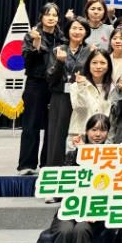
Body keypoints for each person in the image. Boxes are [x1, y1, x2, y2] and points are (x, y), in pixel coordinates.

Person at [47, 114, 111, 243]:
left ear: (108, 133)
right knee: (64, 230)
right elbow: (64, 185)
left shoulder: (112, 157)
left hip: (97, 210)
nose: (98, 134)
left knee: (81, 229)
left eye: (103, 130)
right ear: (86, 132)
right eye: (94, 130)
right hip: (72, 207)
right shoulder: (74, 154)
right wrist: (82, 152)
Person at [18, 2, 65, 174]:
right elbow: (27, 61)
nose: (51, 18)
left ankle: (48, 163)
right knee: (31, 124)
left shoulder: (61, 37)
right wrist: (36, 43)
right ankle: (27, 165)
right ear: (41, 16)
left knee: (52, 126)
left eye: (54, 15)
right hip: (36, 84)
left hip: (55, 86)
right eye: (48, 14)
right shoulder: (32, 35)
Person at [45, 17, 92, 168]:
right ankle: (55, 169)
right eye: (74, 28)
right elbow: (50, 79)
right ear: (68, 31)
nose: (77, 32)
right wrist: (59, 62)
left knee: (80, 133)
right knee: (57, 135)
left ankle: (80, 168)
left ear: (86, 32)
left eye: (81, 28)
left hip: (82, 97)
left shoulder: (91, 51)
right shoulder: (58, 50)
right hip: (61, 97)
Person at [67, 49, 113, 145]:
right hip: (79, 136)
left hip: (103, 137)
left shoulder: (113, 88)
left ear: (108, 66)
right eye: (94, 63)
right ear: (88, 65)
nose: (98, 66)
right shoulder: (76, 86)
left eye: (102, 63)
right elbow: (80, 109)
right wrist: (81, 87)